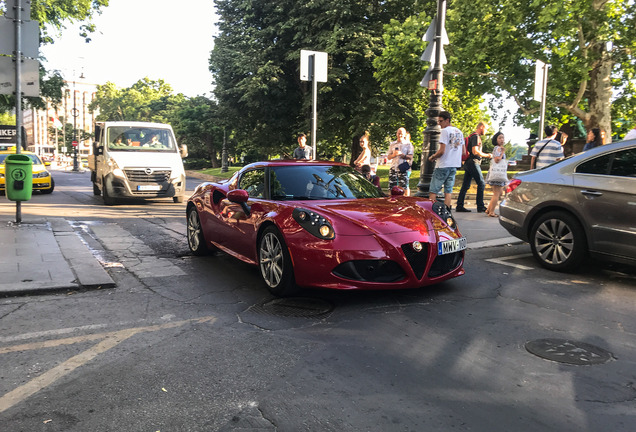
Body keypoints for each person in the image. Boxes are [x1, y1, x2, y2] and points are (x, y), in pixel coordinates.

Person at [428, 111, 464, 209]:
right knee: (448, 191)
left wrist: (432, 157)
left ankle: (431, 212)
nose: (439, 124)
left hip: (443, 165)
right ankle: (447, 212)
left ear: (447, 120)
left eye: (441, 121)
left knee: (433, 190)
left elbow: (442, 151)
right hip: (454, 165)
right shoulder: (459, 132)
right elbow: (464, 152)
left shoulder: (445, 131)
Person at [455, 121, 492, 213]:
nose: (486, 131)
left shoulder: (471, 136)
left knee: (465, 185)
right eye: (486, 129)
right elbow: (475, 151)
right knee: (481, 183)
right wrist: (488, 155)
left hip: (468, 162)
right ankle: (480, 206)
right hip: (473, 162)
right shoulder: (476, 137)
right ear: (482, 127)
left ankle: (459, 205)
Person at [485, 132, 507, 217]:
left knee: (499, 193)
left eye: (503, 138)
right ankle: (491, 212)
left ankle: (489, 209)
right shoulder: (498, 148)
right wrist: (502, 153)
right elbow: (497, 160)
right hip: (497, 173)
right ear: (496, 140)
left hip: (497, 173)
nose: (502, 140)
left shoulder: (499, 148)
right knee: (497, 193)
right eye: (500, 138)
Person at [387, 127, 414, 195]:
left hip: (402, 168)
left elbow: (410, 157)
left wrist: (402, 155)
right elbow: (389, 157)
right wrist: (393, 155)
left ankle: (404, 202)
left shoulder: (408, 145)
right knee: (391, 187)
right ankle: (391, 202)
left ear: (404, 135)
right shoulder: (392, 144)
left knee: (403, 187)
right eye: (398, 133)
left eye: (401, 134)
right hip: (393, 167)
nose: (400, 135)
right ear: (396, 134)